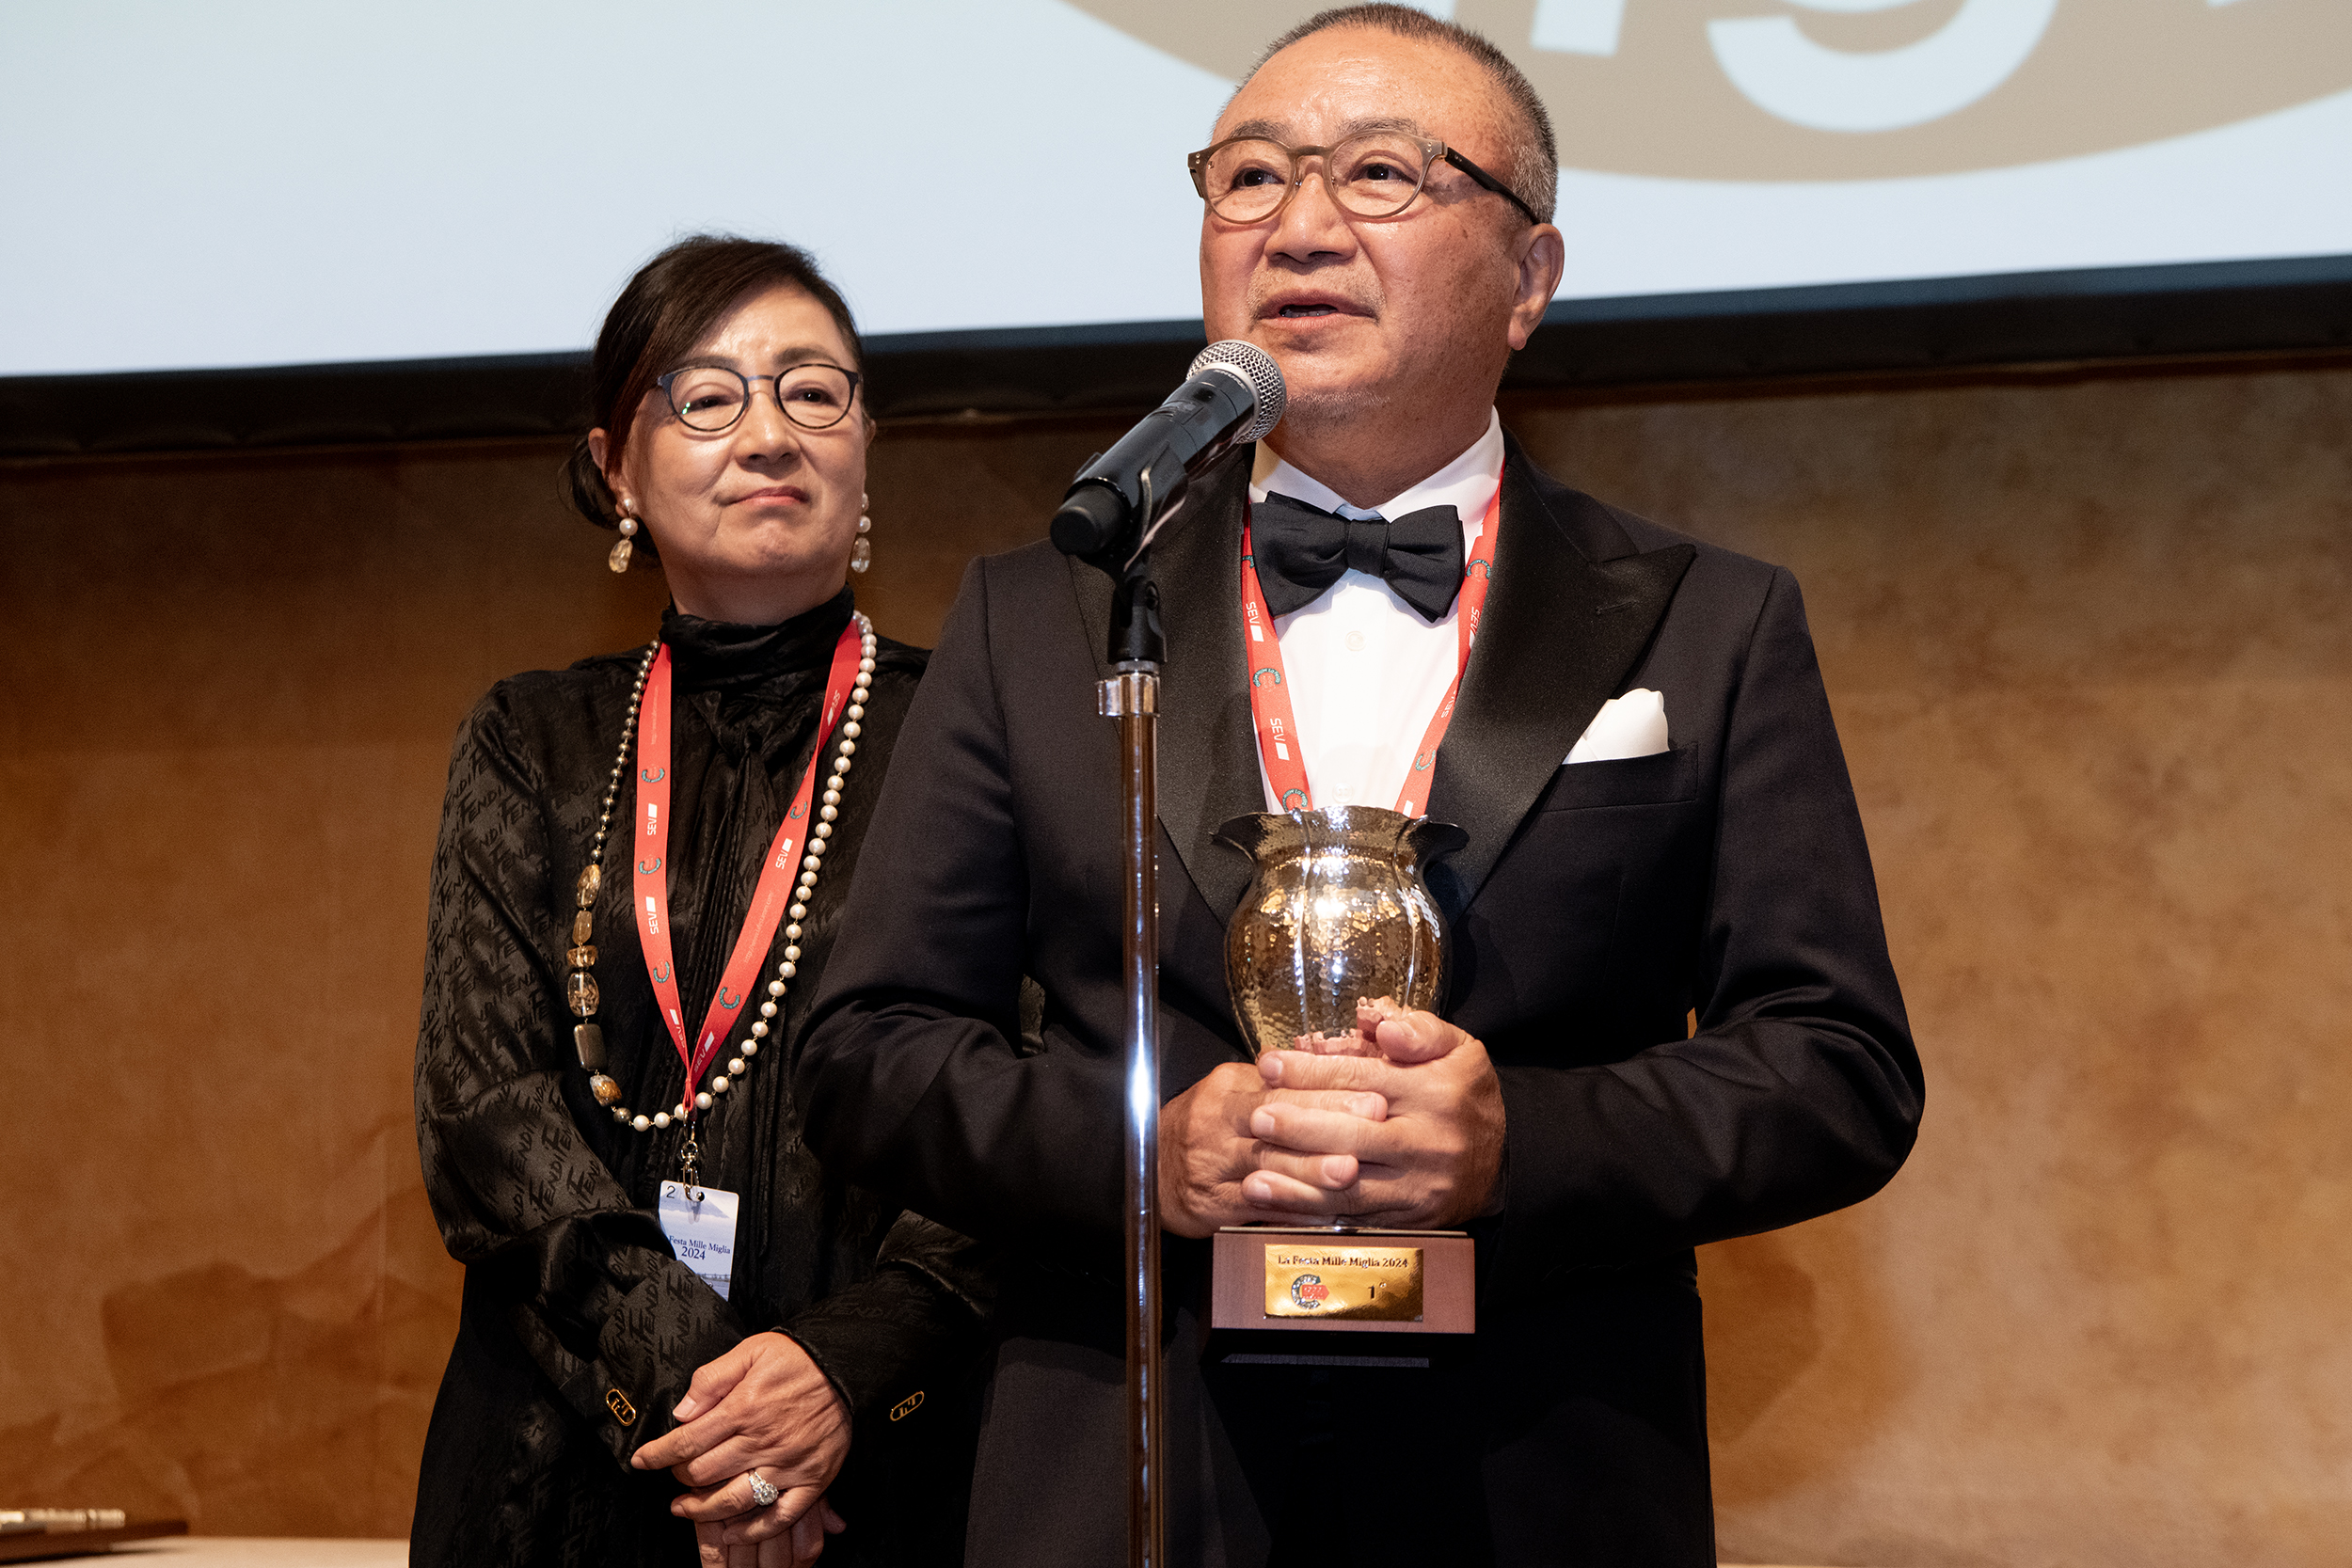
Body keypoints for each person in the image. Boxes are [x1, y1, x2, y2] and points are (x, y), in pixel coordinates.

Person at [798, 8, 1923, 1566]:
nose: (1301, 226)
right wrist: (1150, 1151)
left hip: (1542, 1474)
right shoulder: (1043, 611)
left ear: (1529, 277)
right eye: (1249, 176)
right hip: (1129, 1470)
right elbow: (866, 1052)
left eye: (1381, 173)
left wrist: (1520, 1143)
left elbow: (1836, 1067)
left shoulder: (1707, 622)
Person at [412, 235, 988, 1568]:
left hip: (889, 1468)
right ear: (617, 466)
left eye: (814, 391)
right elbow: (487, 1123)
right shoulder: (532, 741)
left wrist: (831, 1381)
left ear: (865, 446)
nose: (769, 435)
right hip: (558, 1470)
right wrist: (720, 1416)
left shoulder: (974, 729)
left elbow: (1029, 1098)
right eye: (708, 397)